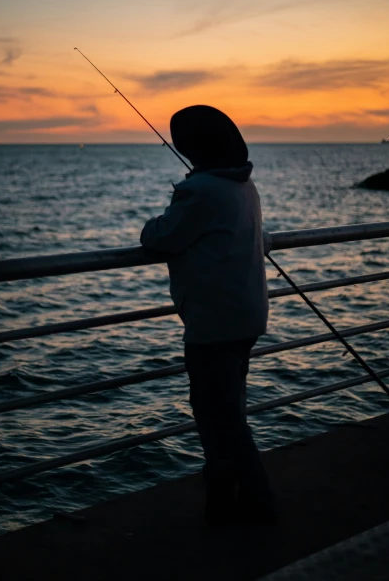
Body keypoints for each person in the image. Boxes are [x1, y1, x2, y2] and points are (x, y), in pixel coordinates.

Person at [140, 105, 274, 526]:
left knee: (219, 417)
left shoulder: (200, 191)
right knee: (228, 407)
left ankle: (258, 502)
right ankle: (223, 495)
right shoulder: (243, 185)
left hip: (214, 324)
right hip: (246, 316)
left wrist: (152, 221)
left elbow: (162, 239)